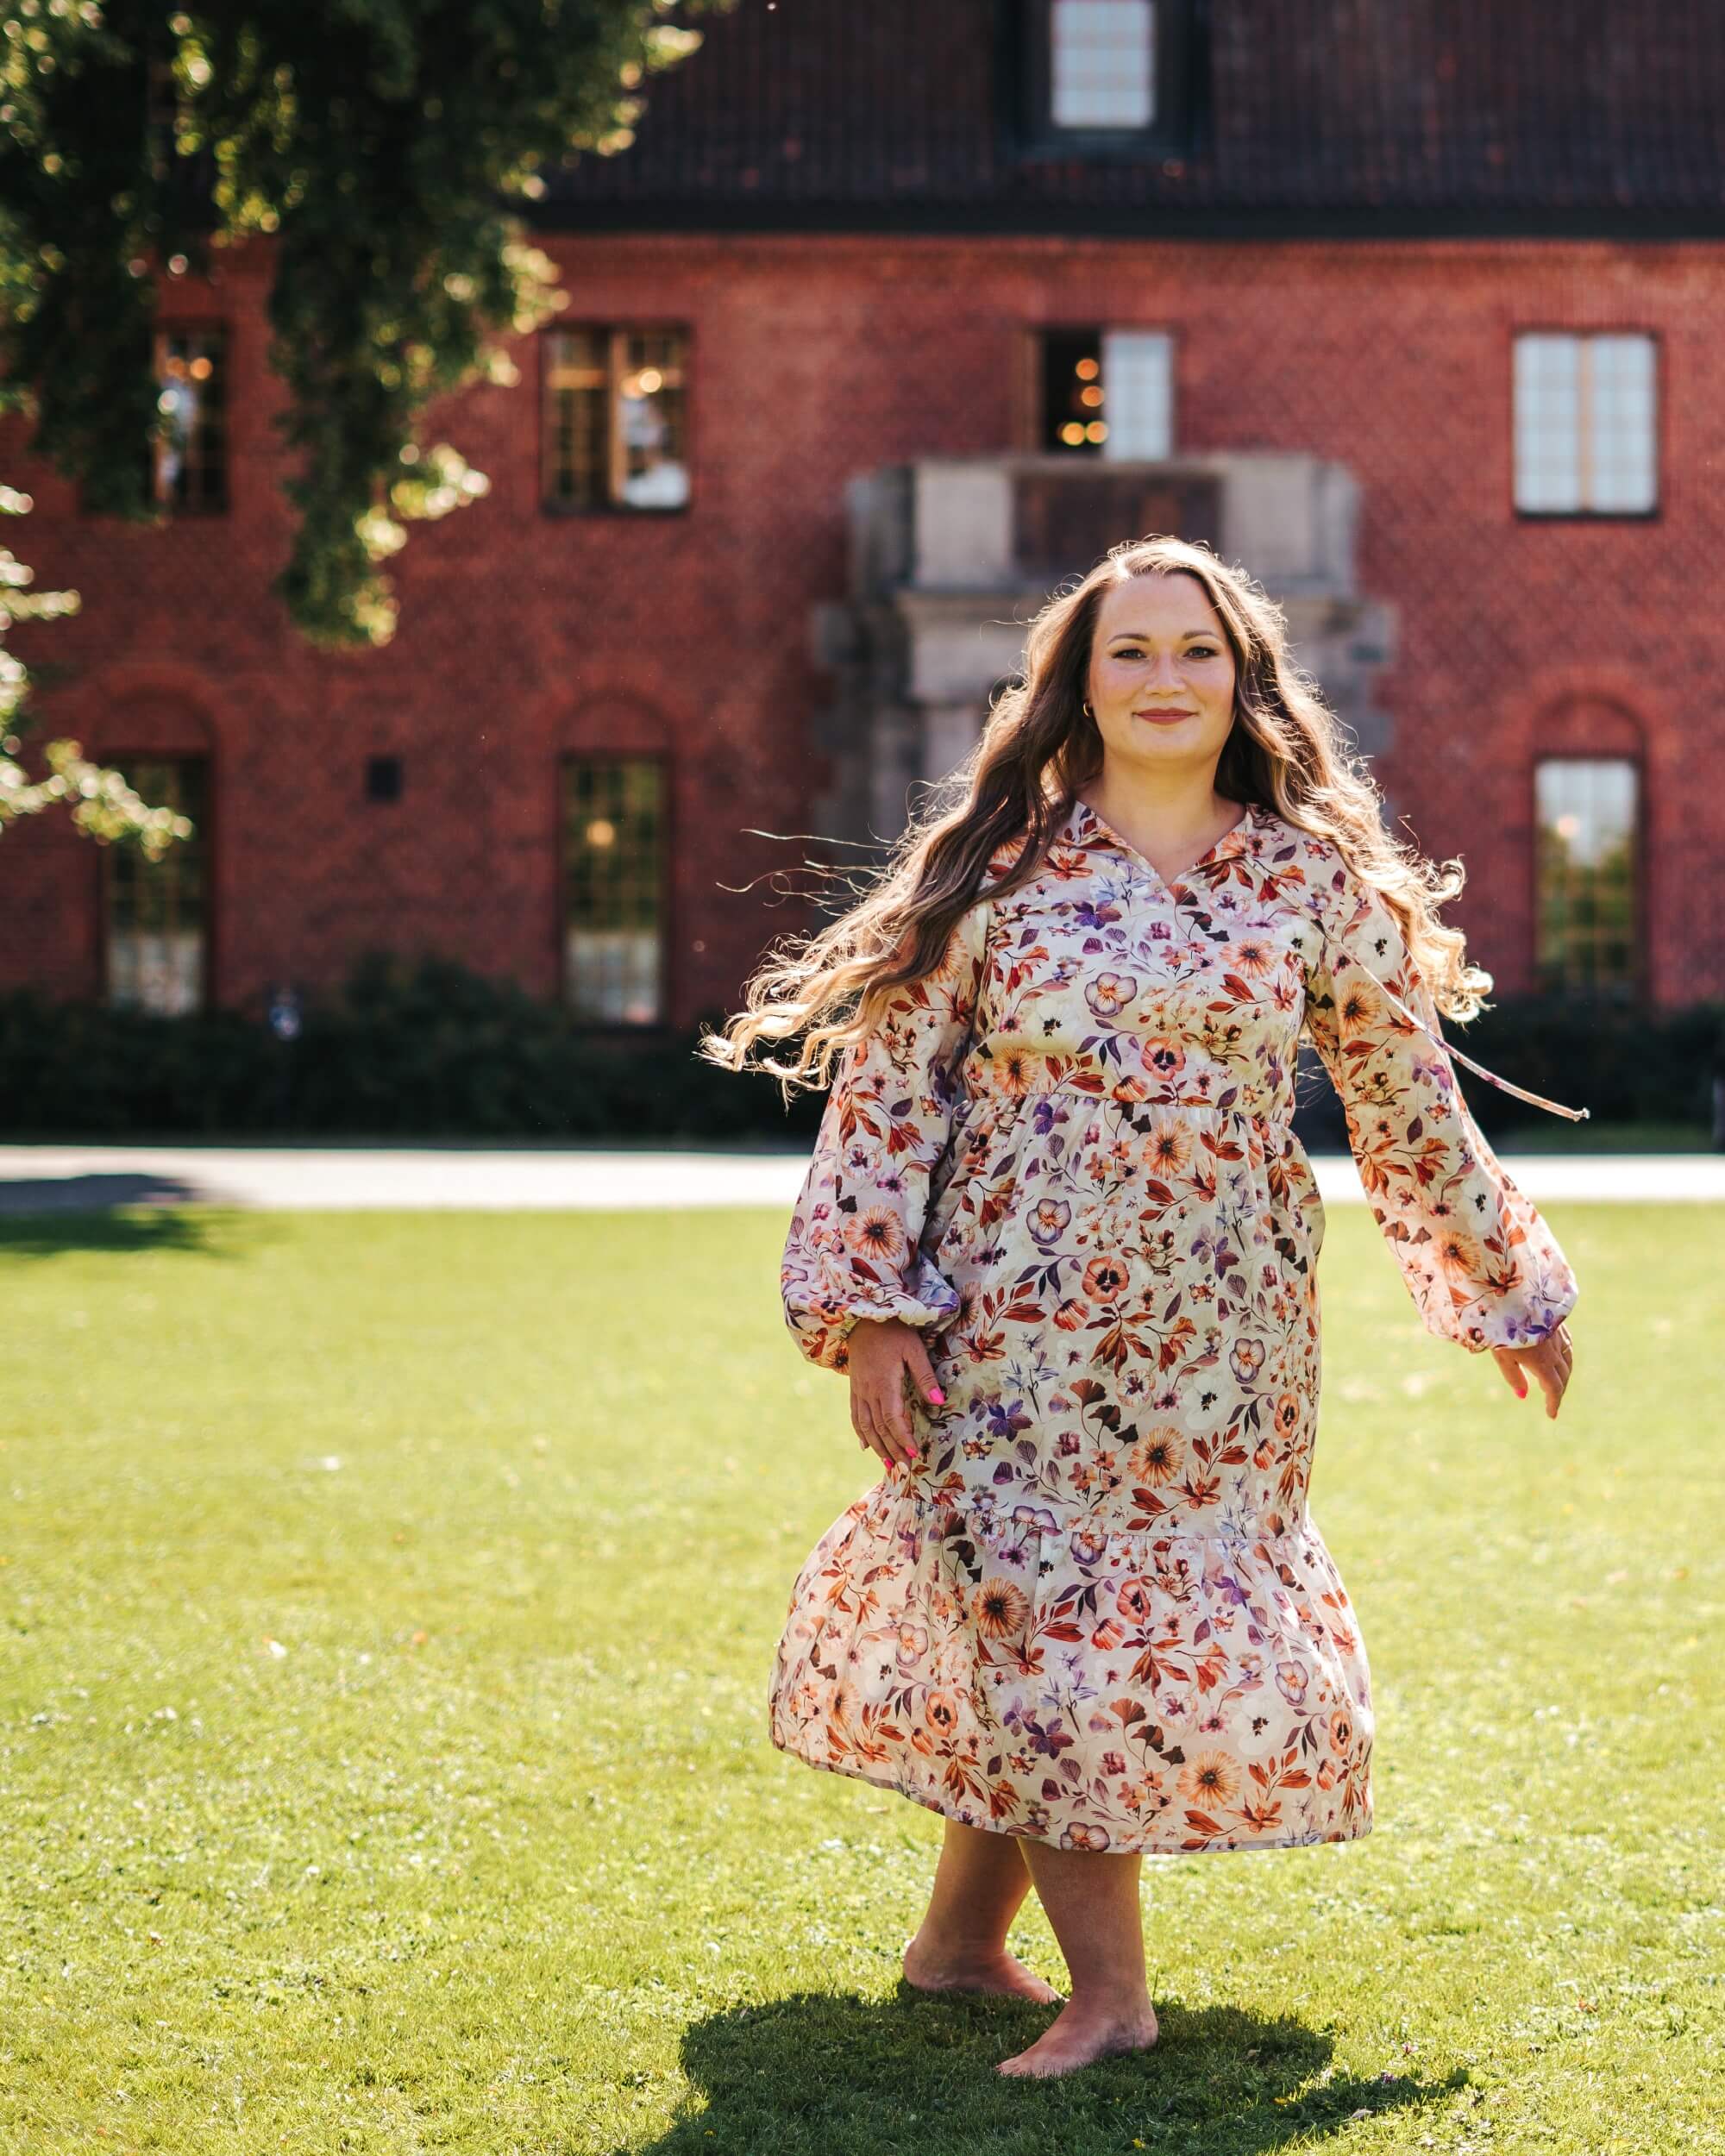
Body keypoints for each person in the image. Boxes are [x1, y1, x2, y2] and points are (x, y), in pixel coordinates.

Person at [699, 534, 1581, 2080]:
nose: (1165, 679)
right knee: (1032, 1608)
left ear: (1243, 681)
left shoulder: (1309, 881)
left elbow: (1404, 1100)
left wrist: (1506, 1287)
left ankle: (959, 1945)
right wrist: (875, 1311)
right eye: (1131, 652)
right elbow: (889, 1092)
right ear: (1079, 685)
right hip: (1010, 1320)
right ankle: (1110, 1999)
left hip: (1221, 1341)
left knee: (1088, 1621)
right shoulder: (1001, 873)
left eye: (1195, 651)